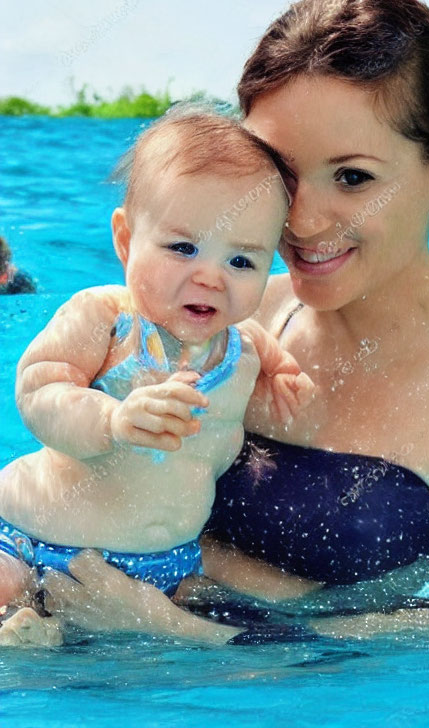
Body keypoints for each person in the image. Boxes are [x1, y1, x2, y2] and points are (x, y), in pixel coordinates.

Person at [39, 0, 429, 643]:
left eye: (353, 177)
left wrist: (187, 634)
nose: (301, 221)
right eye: (281, 175)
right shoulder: (217, 317)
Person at [0, 108, 314, 646]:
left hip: (164, 566)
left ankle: (40, 634)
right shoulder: (107, 318)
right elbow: (37, 388)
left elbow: (267, 349)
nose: (211, 276)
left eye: (242, 261)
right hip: (32, 538)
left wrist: (282, 375)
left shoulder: (243, 344)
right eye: (183, 248)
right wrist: (113, 418)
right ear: (125, 241)